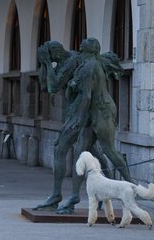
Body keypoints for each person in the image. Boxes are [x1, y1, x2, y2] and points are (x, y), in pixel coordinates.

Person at [35, 38, 131, 214]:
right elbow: (45, 85)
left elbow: (54, 86)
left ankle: (129, 190)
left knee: (93, 150)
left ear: (55, 52)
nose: (80, 45)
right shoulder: (80, 62)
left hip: (91, 112)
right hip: (85, 112)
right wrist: (44, 63)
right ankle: (94, 194)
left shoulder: (77, 63)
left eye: (49, 55)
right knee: (91, 153)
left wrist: (47, 63)